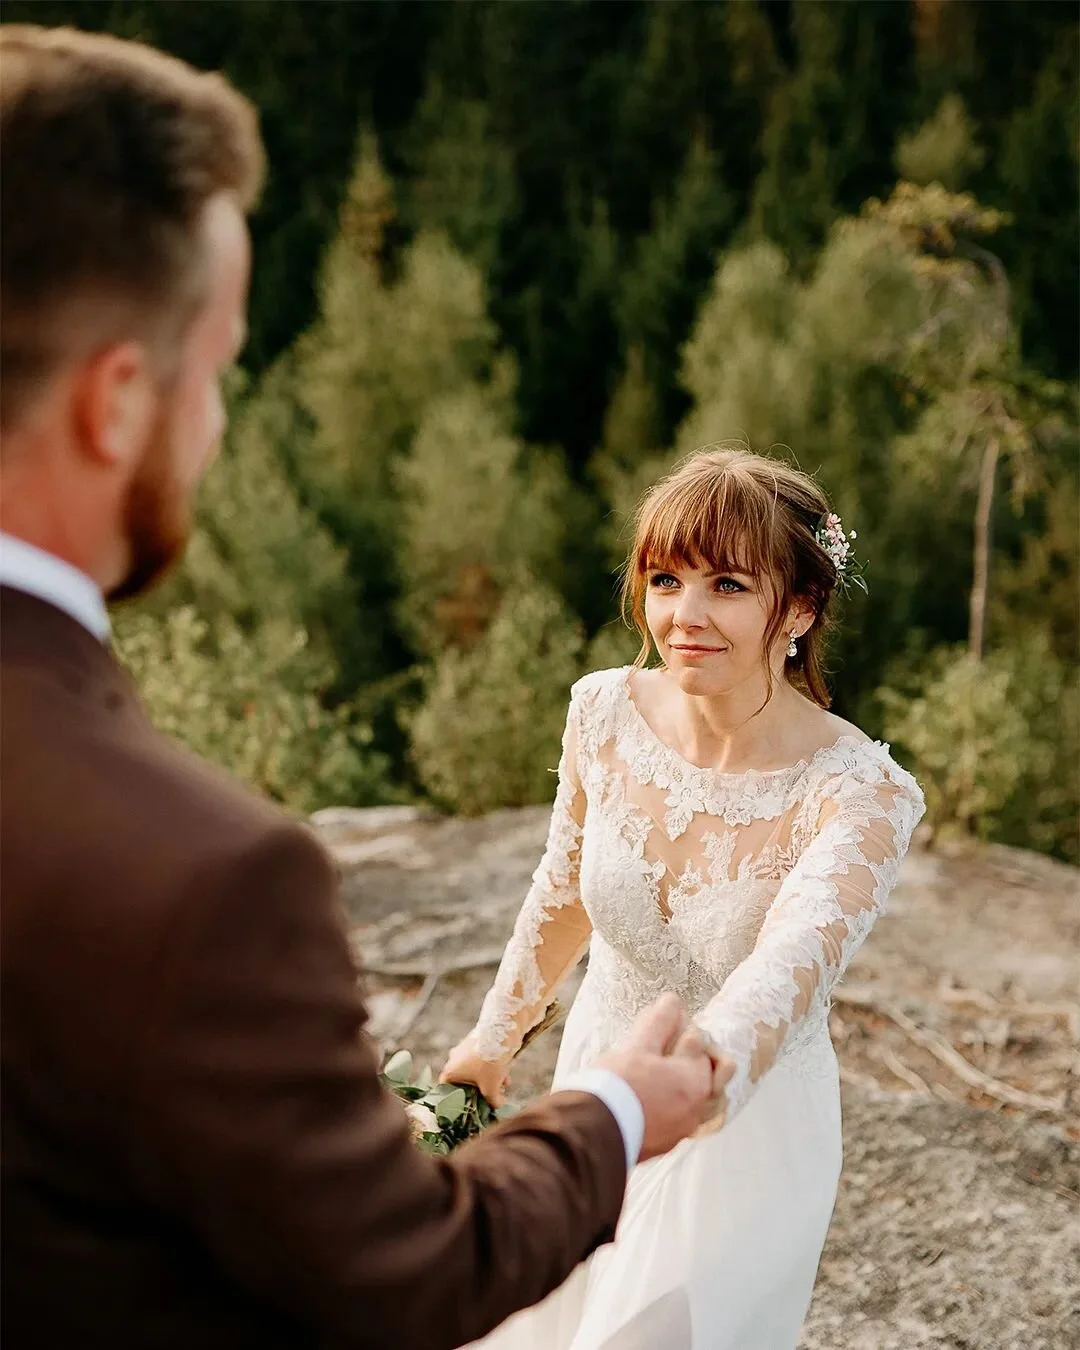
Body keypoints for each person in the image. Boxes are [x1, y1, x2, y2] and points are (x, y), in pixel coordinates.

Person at [0, 26, 726, 1350]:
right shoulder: (201, 879)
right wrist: (614, 1110)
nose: (216, 426)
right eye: (213, 372)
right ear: (113, 405)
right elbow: (401, 1273)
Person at [441, 446, 926, 1350]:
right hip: (599, 1080)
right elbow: (564, 888)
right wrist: (492, 1042)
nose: (684, 617)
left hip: (742, 1128)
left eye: (729, 586)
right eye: (666, 579)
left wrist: (695, 1081)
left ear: (802, 607)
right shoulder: (601, 712)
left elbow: (790, 964)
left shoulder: (860, 793)